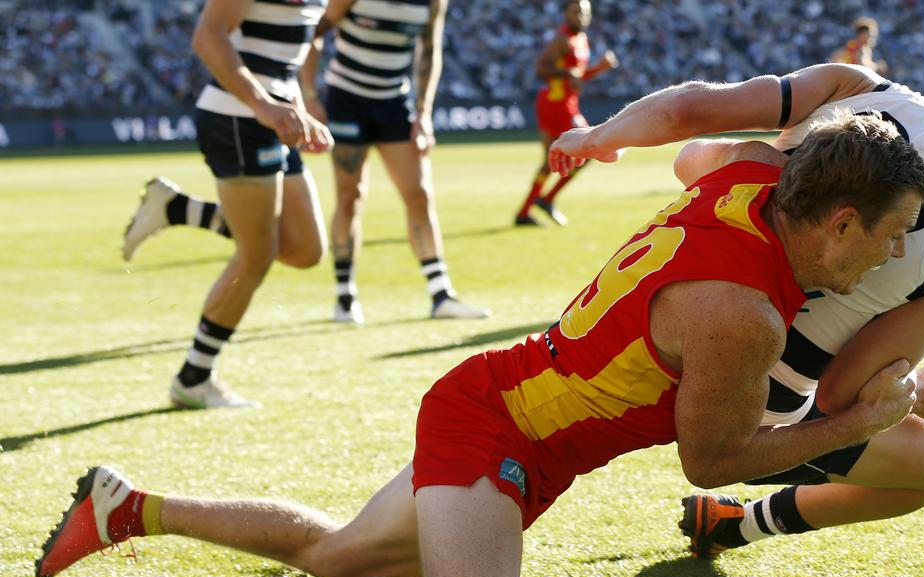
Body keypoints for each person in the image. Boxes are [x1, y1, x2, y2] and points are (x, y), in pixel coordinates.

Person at [36, 113, 924, 577]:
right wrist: (857, 422)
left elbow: (696, 151)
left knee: (344, 559)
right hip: (504, 426)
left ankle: (132, 509)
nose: (896, 255)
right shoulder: (744, 318)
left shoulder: (752, 172)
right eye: (893, 234)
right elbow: (712, 461)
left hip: (507, 401)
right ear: (841, 219)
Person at [548, 38, 924, 557]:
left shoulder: (851, 86)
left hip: (664, 319)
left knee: (714, 158)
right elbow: (841, 396)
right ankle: (742, 526)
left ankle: (734, 520)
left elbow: (685, 112)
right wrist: (918, 388)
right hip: (753, 408)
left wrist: (599, 136)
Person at [121, 0, 332, 410]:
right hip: (238, 119)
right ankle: (193, 378)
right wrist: (264, 106)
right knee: (257, 254)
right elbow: (208, 35)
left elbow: (286, 53)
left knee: (305, 250)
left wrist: (300, 113)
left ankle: (178, 209)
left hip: (274, 120)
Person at [301, 0, 489, 322]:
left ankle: (441, 295)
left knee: (419, 194)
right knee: (350, 196)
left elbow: (430, 49)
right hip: (346, 100)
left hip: (394, 103)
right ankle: (345, 298)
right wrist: (309, 94)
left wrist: (424, 112)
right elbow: (314, 32)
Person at [513, 0, 618, 228]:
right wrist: (566, 72)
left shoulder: (580, 40)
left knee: (555, 160)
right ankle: (545, 200)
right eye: (576, 12)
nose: (581, 17)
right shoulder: (561, 39)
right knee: (592, 146)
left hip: (565, 103)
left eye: (585, 13)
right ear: (566, 14)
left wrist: (599, 68)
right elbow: (541, 68)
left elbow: (576, 77)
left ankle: (526, 211)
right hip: (555, 104)